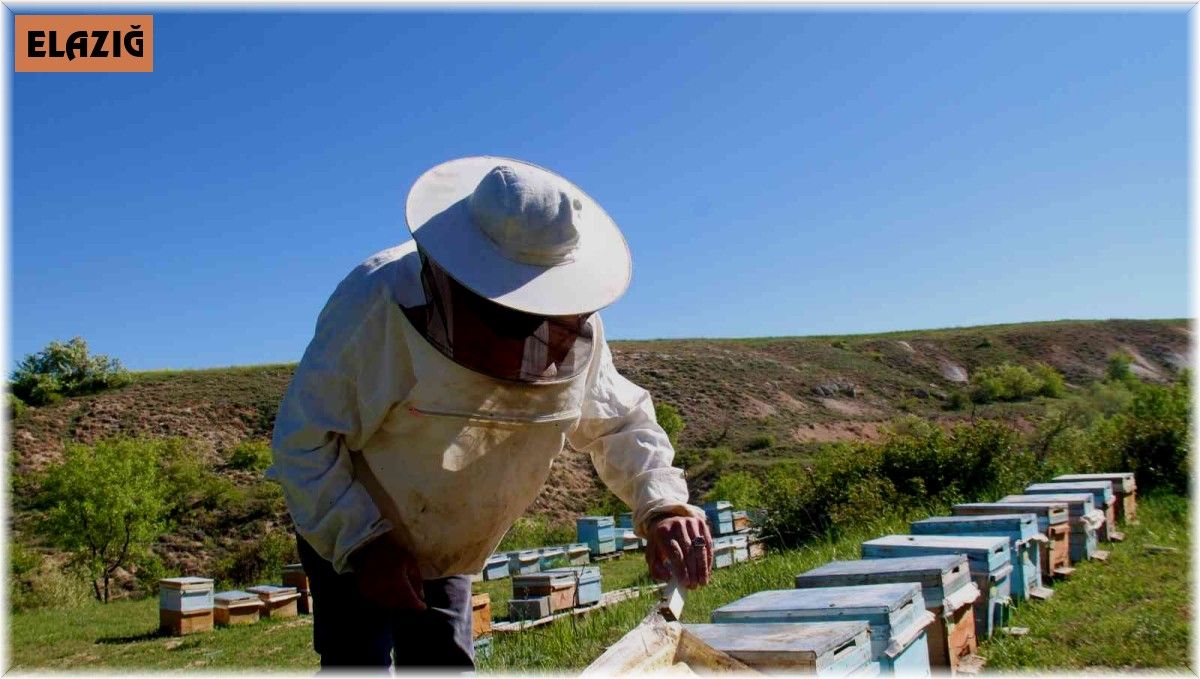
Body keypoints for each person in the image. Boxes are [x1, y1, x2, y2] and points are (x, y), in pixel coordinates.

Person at [267, 157, 712, 671]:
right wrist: (362, 544)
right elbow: (305, 441)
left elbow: (618, 420)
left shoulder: (576, 326)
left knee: (444, 665)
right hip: (348, 522)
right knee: (357, 661)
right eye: (507, 313)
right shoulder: (375, 303)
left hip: (451, 537)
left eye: (541, 314)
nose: (528, 332)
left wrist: (663, 507)